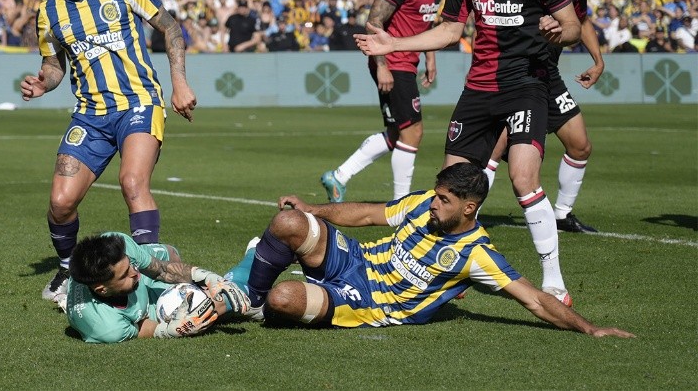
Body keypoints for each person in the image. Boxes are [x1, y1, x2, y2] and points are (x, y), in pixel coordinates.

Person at [355, 0, 582, 305]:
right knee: (450, 188)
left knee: (523, 178)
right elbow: (449, 31)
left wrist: (557, 29)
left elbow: (573, 28)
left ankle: (554, 282)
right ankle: (449, 271)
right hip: (479, 88)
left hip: (527, 84)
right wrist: (393, 45)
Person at [244, 162, 635, 339]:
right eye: (436, 195)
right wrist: (314, 210)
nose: (434, 204)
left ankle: (265, 298)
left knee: (286, 297)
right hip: (357, 260)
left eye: (444, 200)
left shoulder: (477, 253)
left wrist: (589, 327)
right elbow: (366, 215)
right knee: (290, 222)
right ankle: (251, 300)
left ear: (468, 208)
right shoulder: (421, 203)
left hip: (370, 301)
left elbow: (533, 299)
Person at [20, 0, 197, 304]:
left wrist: (179, 81)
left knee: (132, 182)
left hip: (140, 102)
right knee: (60, 202)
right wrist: (43, 83)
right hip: (91, 114)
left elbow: (171, 28)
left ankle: (151, 279)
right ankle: (70, 269)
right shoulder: (49, 12)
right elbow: (54, 66)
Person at [483, 0, 606, 234]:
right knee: (493, 149)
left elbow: (582, 21)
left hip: (547, 75)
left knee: (580, 145)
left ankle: (562, 214)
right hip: (514, 74)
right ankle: (464, 216)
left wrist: (598, 61)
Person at [320, 0, 443, 203]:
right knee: (413, 132)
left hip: (408, 61)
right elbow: (374, 22)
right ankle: (402, 204)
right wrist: (382, 65)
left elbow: (428, 21)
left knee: (396, 133)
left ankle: (339, 176)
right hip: (393, 62)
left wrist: (430, 58)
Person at [66, 232, 252, 343]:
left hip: (137, 290)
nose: (135, 272)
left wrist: (208, 277)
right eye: (124, 275)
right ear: (102, 289)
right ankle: (253, 259)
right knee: (207, 307)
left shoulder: (116, 244)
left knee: (171, 253)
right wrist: (173, 329)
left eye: (130, 264)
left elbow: (161, 270)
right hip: (145, 308)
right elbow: (142, 329)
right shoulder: (107, 327)